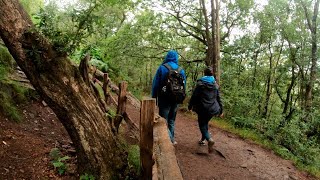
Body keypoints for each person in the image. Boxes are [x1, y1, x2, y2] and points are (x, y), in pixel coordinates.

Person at [152, 50, 186, 144]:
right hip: (176, 99)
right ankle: (171, 140)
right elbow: (184, 86)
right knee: (171, 121)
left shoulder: (162, 68)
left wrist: (154, 97)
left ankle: (168, 141)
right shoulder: (181, 70)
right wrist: (181, 98)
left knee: (163, 120)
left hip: (164, 99)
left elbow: (156, 84)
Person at [188, 66, 223, 153]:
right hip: (213, 109)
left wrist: (190, 105)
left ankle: (209, 139)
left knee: (202, 125)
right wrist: (221, 109)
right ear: (212, 74)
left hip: (202, 108)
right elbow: (218, 98)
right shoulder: (215, 85)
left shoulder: (200, 84)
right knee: (205, 123)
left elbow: (194, 96)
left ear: (204, 73)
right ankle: (203, 140)